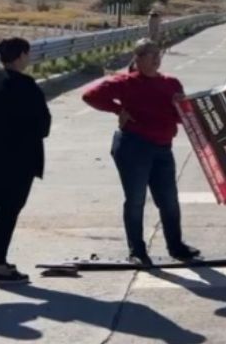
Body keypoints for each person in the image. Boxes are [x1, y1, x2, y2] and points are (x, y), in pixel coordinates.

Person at [83, 39, 200, 267]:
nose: (156, 59)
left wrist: (181, 105)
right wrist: (118, 109)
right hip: (133, 147)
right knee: (136, 200)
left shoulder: (171, 83)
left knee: (169, 201)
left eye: (158, 54)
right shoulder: (126, 82)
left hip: (163, 148)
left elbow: (179, 118)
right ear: (137, 59)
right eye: (150, 55)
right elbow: (90, 95)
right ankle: (137, 250)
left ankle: (176, 246)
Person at [0, 38, 52, 285]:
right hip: (19, 155)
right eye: (27, 54)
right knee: (9, 208)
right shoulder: (26, 85)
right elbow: (42, 125)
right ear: (20, 56)